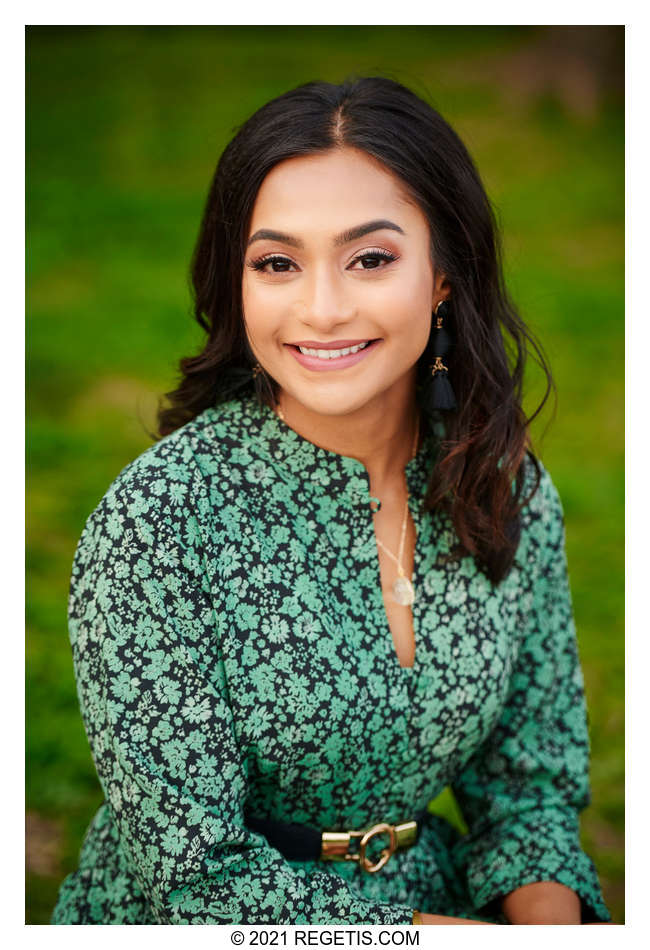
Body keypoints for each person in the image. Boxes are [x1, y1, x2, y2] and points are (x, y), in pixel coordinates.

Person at [51, 76, 611, 925]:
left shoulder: (506, 485)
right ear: (237, 283)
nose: (321, 308)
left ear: (444, 276)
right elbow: (202, 879)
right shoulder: (158, 525)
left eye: (371, 258)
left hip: (436, 902)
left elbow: (528, 790)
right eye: (277, 262)